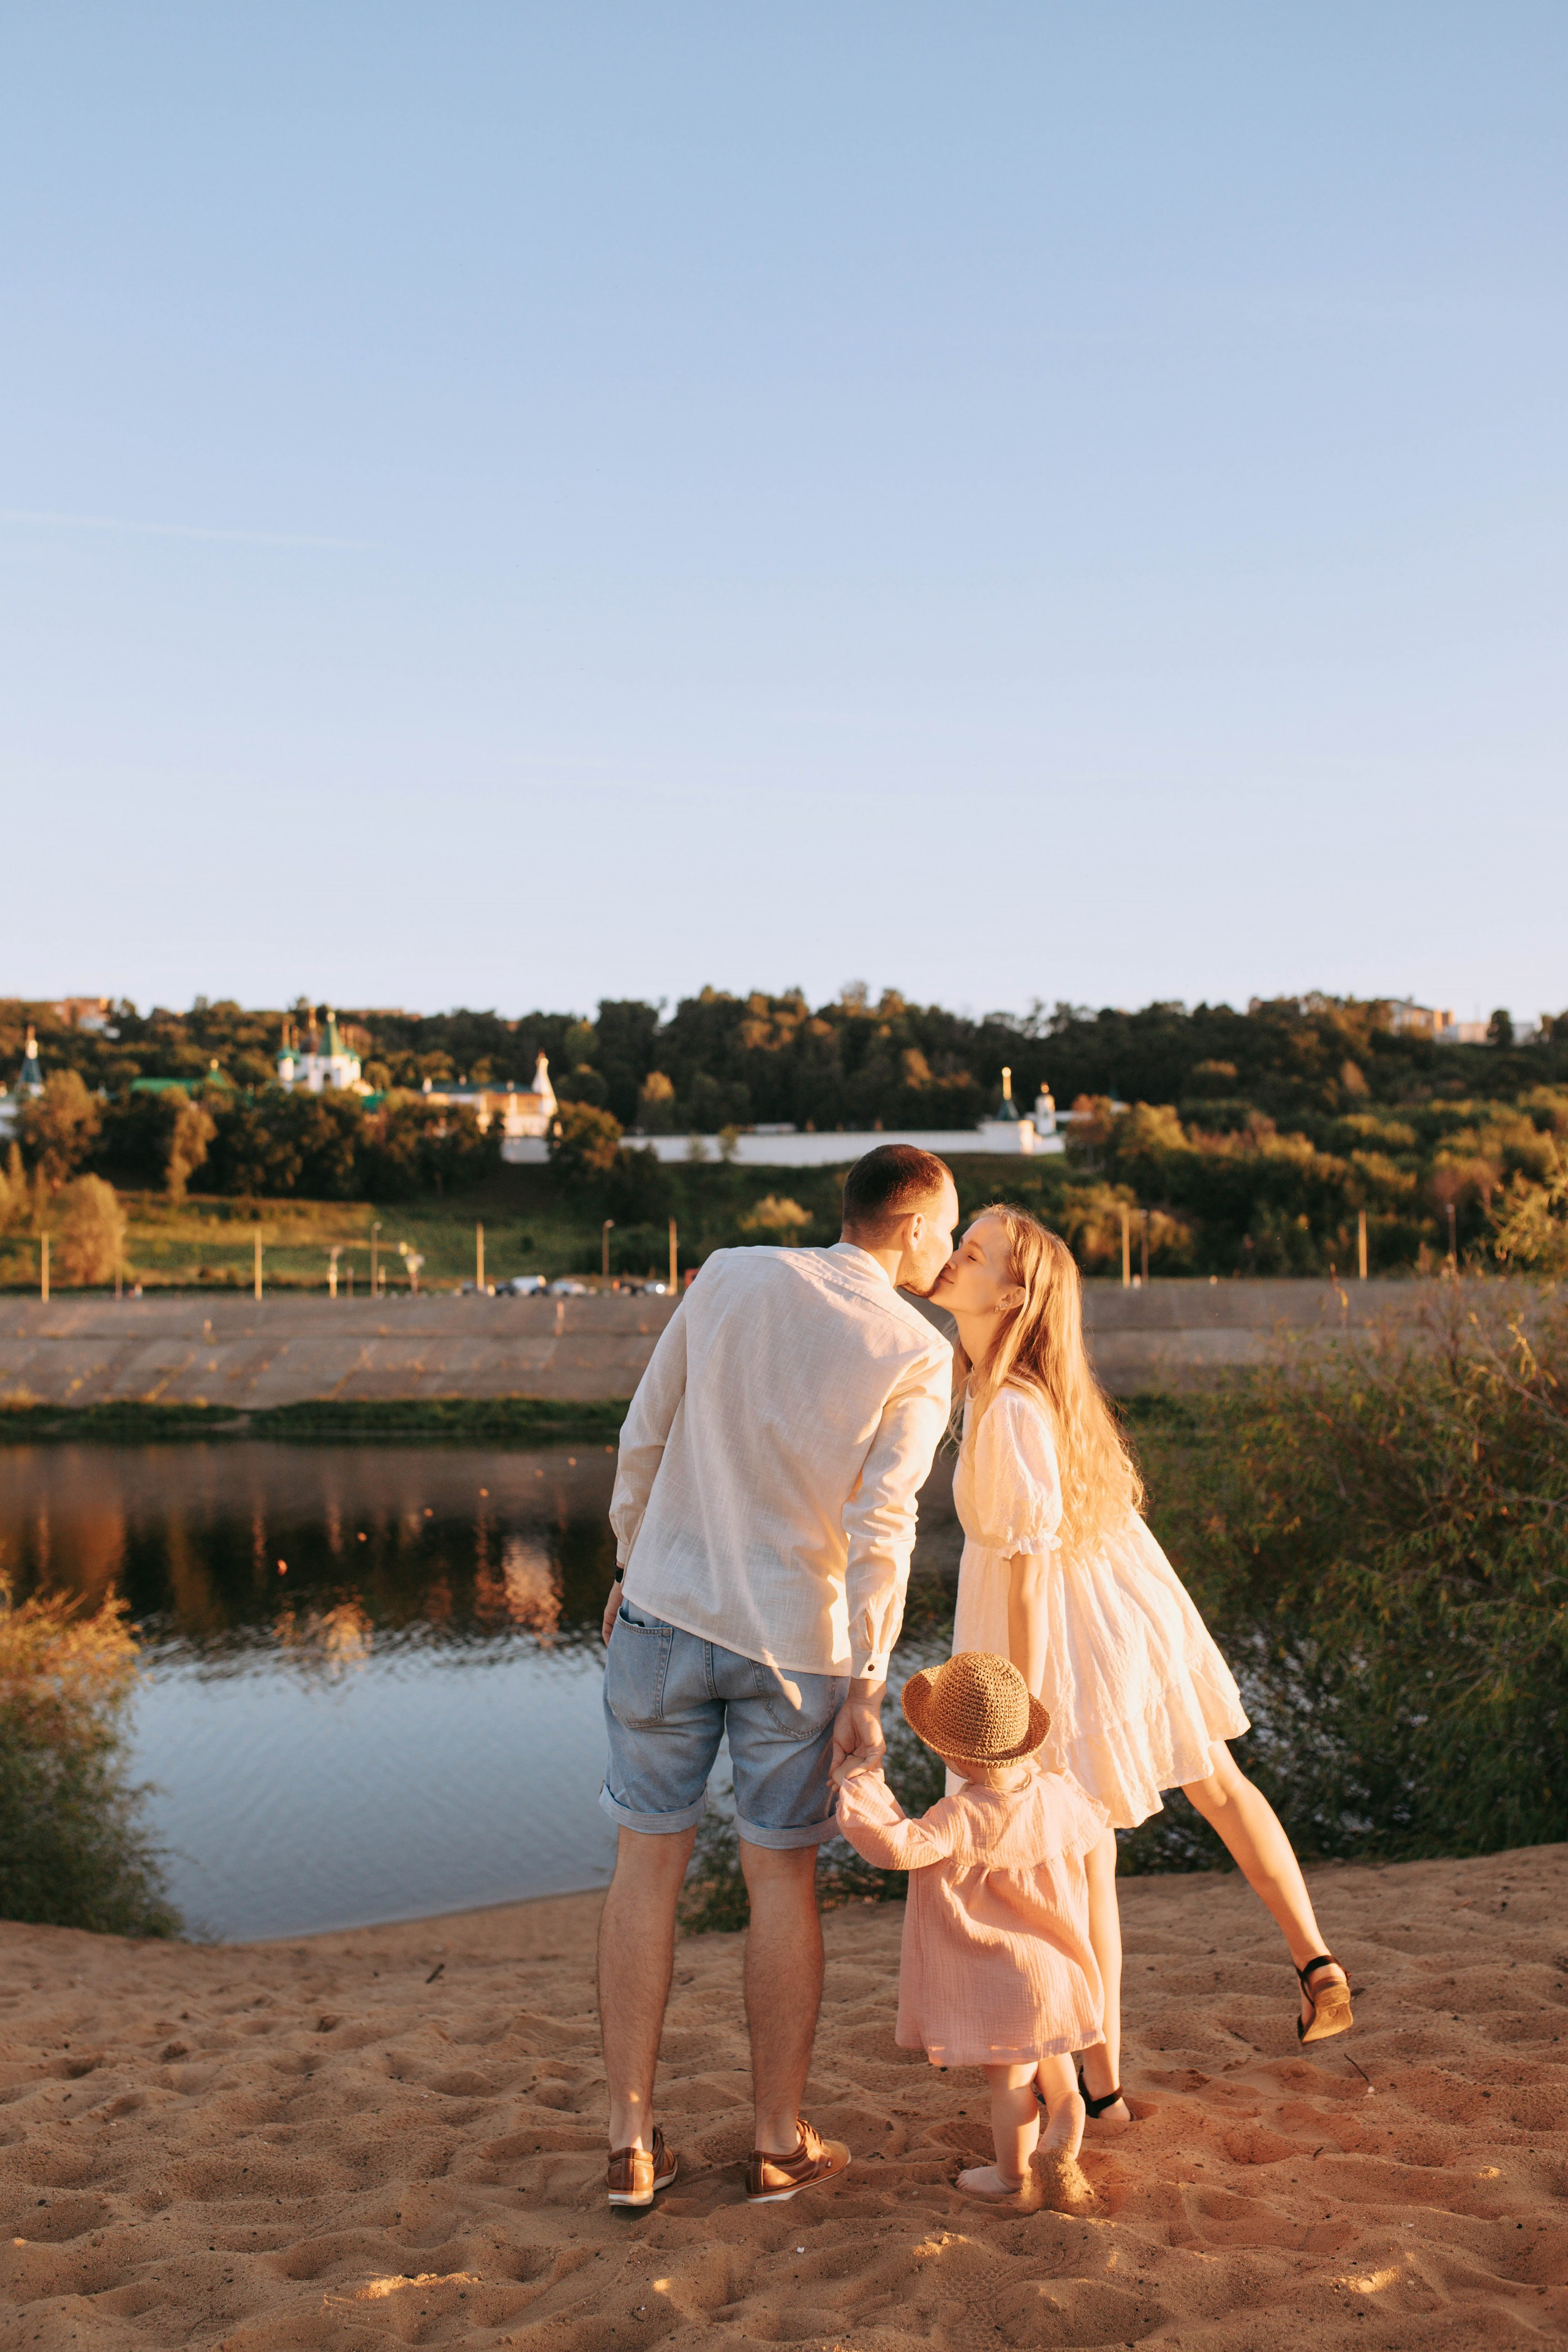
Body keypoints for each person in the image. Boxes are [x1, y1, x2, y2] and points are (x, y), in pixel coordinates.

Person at [929, 1204, 1355, 2132]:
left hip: (1066, 1629)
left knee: (1086, 1857)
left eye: (973, 1252)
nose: (953, 1258)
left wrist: (1021, 1719)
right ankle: (1316, 1960)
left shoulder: (1010, 1406)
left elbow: (1029, 1576)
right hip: (1127, 1605)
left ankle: (1103, 2088)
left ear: (1013, 1295)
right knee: (1214, 1782)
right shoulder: (1017, 1387)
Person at [595, 1144, 960, 2209]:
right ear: (914, 1227)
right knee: (780, 1880)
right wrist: (868, 1682)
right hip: (798, 1650)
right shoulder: (916, 1350)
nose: (947, 1249)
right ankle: (774, 2140)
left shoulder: (730, 1273)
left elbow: (644, 1432)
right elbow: (884, 1526)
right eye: (948, 1229)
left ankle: (629, 2144)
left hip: (665, 1610)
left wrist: (627, 1563)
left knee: (644, 1869)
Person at [835, 1649, 1109, 2213]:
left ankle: (1011, 2177)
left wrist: (860, 1783)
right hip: (1058, 1970)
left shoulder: (960, 1817)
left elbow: (894, 1846)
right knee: (1058, 2072)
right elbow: (1092, 1822)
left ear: (951, 1756)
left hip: (1005, 1982)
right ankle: (1063, 2133)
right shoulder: (1057, 1793)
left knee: (1011, 2085)